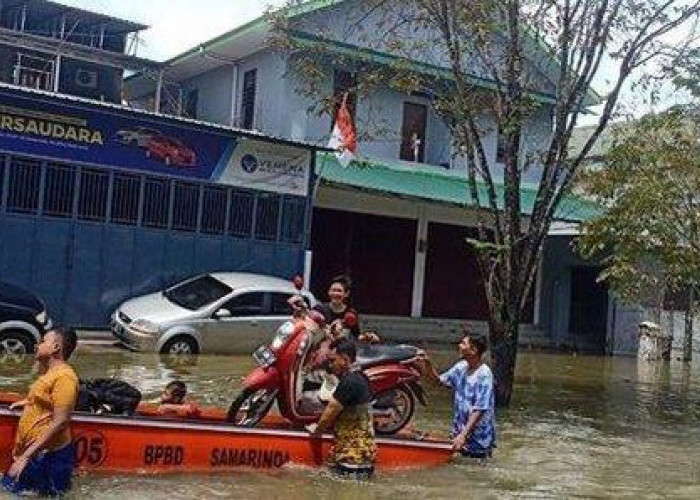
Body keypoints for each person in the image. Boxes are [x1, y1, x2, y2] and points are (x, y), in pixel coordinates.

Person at [2, 326, 79, 497]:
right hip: (36, 455)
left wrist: (26, 457)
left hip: (48, 458)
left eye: (43, 341)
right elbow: (47, 400)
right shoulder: (50, 373)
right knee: (9, 491)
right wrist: (29, 402)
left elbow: (61, 421)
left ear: (56, 347)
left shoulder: (64, 377)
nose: (38, 345)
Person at [417, 330, 496, 459]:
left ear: (474, 350)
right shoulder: (461, 368)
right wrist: (427, 364)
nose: (459, 346)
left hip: (479, 441)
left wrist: (463, 435)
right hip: (459, 434)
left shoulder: (484, 374)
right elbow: (438, 382)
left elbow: (480, 409)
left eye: (463, 343)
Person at [308, 338, 376, 479]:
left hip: (353, 459)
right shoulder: (361, 377)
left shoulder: (349, 382)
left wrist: (317, 431)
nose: (330, 365)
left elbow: (331, 411)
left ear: (344, 360)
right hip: (359, 455)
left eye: (333, 360)